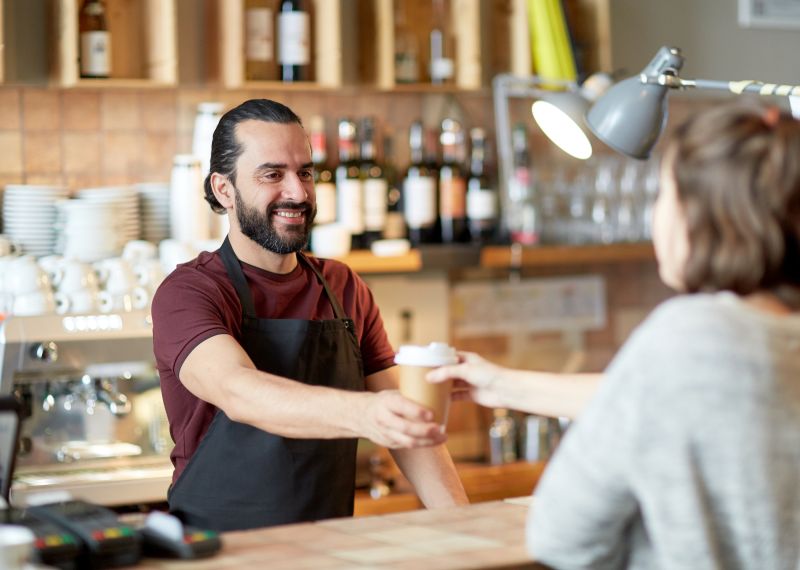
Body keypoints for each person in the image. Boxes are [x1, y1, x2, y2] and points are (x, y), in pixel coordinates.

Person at [428, 103, 800, 569]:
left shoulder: (684, 336)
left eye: (664, 194)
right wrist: (501, 385)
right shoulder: (756, 342)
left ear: (698, 216)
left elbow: (562, 533)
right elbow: (660, 396)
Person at [152, 99, 467, 532]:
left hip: (325, 547)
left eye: (305, 173)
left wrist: (465, 524)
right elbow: (239, 391)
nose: (298, 193)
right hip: (219, 551)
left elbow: (409, 432)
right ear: (224, 189)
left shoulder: (343, 287)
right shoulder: (189, 292)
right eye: (272, 175)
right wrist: (367, 413)